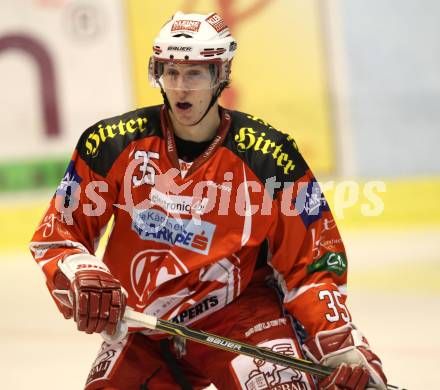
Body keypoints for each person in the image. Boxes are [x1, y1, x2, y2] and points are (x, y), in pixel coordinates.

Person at [30, 11, 388, 390]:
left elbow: (310, 263)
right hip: (144, 324)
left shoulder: (270, 157)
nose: (181, 87)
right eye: (171, 72)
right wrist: (81, 272)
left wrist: (340, 349)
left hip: (238, 316)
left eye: (195, 73)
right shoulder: (110, 144)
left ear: (221, 75)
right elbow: (59, 234)